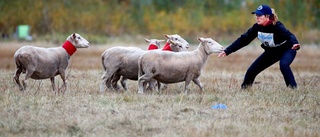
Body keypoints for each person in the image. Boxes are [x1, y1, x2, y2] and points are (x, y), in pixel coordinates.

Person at [217, 4, 300, 89]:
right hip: (271, 52)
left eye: (259, 15)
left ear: (267, 16)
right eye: (256, 15)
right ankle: (245, 90)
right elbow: (243, 40)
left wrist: (294, 43)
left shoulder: (277, 26)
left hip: (287, 49)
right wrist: (227, 51)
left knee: (284, 65)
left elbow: (289, 35)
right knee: (251, 71)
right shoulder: (257, 28)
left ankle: (292, 89)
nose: (257, 17)